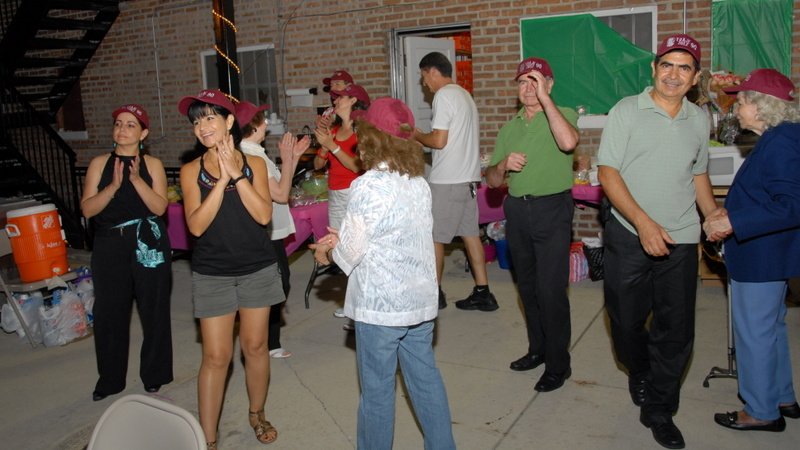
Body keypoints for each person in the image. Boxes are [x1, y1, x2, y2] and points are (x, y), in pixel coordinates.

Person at [597, 34, 722, 449]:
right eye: (667, 64)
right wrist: (643, 223)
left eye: (684, 67)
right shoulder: (626, 111)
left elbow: (698, 173)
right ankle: (640, 370)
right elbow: (608, 172)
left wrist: (710, 215)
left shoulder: (699, 119)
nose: (673, 74)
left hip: (681, 236)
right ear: (653, 69)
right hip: (629, 232)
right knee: (625, 320)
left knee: (676, 328)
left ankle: (660, 408)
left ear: (695, 78)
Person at [310, 97, 456, 449]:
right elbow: (395, 234)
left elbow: (351, 253)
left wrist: (327, 250)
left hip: (381, 308)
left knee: (377, 393)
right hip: (419, 302)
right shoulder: (418, 183)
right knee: (425, 380)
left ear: (373, 137)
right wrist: (347, 238)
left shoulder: (369, 185)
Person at [178, 89, 283, 449]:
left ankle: (257, 413)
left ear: (228, 121)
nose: (202, 126)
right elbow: (196, 226)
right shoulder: (190, 171)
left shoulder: (254, 164)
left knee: (255, 346)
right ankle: (208, 439)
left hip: (256, 267)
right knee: (216, 356)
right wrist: (221, 180)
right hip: (213, 272)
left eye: (210, 117)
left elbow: (264, 215)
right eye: (196, 121)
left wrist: (237, 175)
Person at [703, 68, 800, 432]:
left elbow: (791, 205)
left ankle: (761, 411)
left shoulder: (780, 143)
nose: (737, 108)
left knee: (755, 333)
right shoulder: (782, 137)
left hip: (761, 256)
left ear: (761, 106)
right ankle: (782, 396)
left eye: (741, 101)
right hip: (771, 255)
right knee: (771, 328)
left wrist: (734, 222)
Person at [484, 57, 579, 392]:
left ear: (549, 85)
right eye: (523, 82)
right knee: (527, 288)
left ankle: (558, 364)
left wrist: (545, 100)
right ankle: (538, 349)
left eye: (535, 81)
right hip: (517, 211)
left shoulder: (563, 114)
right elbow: (492, 180)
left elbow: (568, 143)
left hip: (552, 208)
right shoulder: (509, 129)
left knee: (551, 290)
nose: (528, 89)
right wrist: (502, 166)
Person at [81, 104, 173, 402]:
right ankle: (110, 380)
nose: (122, 129)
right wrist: (113, 186)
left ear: (143, 133)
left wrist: (135, 180)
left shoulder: (153, 164)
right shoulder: (99, 163)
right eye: (119, 123)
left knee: (153, 309)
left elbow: (159, 207)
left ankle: (155, 374)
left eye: (131, 124)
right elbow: (87, 209)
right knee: (109, 313)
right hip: (110, 245)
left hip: (148, 243)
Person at [413, 51, 497, 311]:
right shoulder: (464, 95)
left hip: (447, 181)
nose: (425, 83)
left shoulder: (443, 95)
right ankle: (483, 292)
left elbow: (439, 141)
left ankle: (433, 294)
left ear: (433, 71)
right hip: (468, 181)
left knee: (434, 238)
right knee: (471, 235)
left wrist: (416, 135)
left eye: (424, 76)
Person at [236, 101, 310, 359]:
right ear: (253, 126)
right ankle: (266, 341)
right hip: (263, 230)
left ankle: (268, 340)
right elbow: (280, 194)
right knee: (276, 284)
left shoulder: (254, 151)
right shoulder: (252, 155)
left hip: (267, 229)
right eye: (262, 119)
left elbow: (280, 184)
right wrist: (288, 159)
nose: (267, 123)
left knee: (277, 282)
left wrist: (293, 158)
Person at [314, 83, 370, 329]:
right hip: (335, 194)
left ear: (354, 101)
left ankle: (361, 307)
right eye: (335, 98)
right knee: (342, 250)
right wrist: (324, 144)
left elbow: (357, 166)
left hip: (355, 193)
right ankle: (352, 304)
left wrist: (332, 145)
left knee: (359, 249)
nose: (335, 101)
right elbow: (317, 165)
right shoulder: (335, 130)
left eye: (341, 98)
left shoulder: (362, 131)